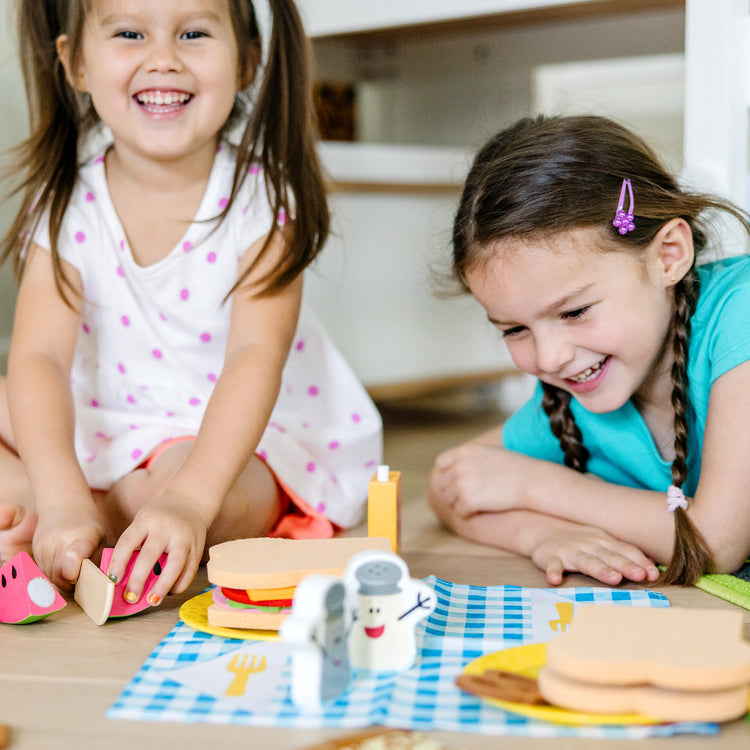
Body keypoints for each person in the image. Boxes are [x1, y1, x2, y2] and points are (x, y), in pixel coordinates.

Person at [0, 0, 382, 605]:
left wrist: (187, 502)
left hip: (224, 436)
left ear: (249, 60)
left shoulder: (262, 198)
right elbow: (39, 359)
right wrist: (60, 493)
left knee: (198, 503)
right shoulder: (66, 200)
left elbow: (256, 356)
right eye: (129, 32)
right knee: (22, 411)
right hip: (106, 415)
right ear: (74, 63)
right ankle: (66, 509)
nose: (163, 60)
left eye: (194, 33)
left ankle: (87, 520)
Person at [428, 114, 750, 587]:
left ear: (669, 255)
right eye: (515, 328)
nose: (550, 358)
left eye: (574, 312)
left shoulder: (739, 314)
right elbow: (449, 485)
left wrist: (535, 485)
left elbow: (718, 540)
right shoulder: (576, 398)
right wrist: (542, 536)